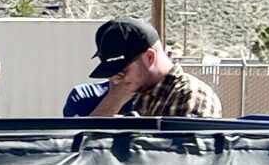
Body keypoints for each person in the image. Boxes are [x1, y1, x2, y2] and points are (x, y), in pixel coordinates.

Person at [67, 18, 222, 119]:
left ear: (149, 57)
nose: (116, 80)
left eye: (121, 71)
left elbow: (184, 158)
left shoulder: (191, 96)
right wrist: (113, 101)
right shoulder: (139, 93)